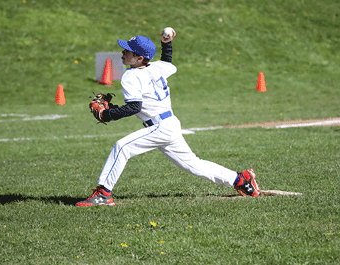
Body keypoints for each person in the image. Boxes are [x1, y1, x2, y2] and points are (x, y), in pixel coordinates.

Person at [76, 29, 260, 206]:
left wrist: (107, 114)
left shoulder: (131, 76)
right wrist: (167, 44)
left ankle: (103, 195)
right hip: (168, 123)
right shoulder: (156, 67)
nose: (123, 52)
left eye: (128, 51)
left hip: (160, 127)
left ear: (139, 58)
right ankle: (239, 179)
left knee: (122, 147)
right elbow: (167, 61)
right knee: (194, 165)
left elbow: (134, 107)